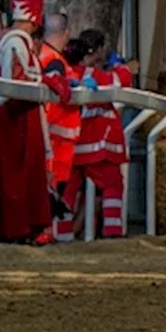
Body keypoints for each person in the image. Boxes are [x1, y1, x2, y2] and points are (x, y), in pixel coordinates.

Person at [0, 0, 62, 244]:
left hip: (8, 118)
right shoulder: (17, 42)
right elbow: (17, 83)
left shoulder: (5, 40)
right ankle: (17, 230)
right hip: (15, 122)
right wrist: (48, 82)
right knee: (15, 178)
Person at [64, 29, 132, 239]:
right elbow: (120, 81)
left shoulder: (67, 71)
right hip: (95, 143)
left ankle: (61, 233)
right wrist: (124, 68)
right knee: (112, 184)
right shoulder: (93, 75)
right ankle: (112, 231)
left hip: (69, 141)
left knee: (68, 189)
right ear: (98, 50)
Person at [37, 15, 81, 238]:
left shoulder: (41, 55)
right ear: (65, 34)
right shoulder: (55, 61)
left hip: (47, 133)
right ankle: (46, 235)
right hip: (57, 139)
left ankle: (49, 233)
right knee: (53, 190)